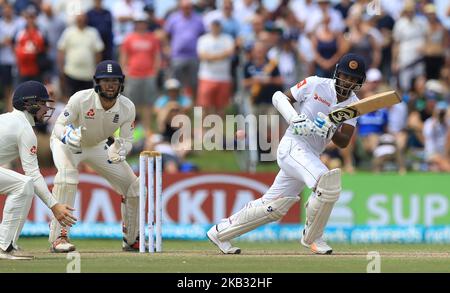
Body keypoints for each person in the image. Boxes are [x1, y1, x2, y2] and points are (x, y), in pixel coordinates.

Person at [207, 53, 366, 255]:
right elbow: (278, 97)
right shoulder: (316, 84)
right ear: (337, 74)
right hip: (292, 145)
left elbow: (344, 142)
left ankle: (220, 232)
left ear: (359, 82)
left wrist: (331, 128)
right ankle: (313, 238)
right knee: (327, 182)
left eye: (353, 79)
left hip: (310, 156)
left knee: (273, 207)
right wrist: (294, 119)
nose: (348, 82)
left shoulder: (354, 105)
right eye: (345, 76)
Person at [48, 60, 140, 253]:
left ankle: (131, 239)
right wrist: (66, 135)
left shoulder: (127, 107)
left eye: (114, 81)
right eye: (105, 81)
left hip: (97, 145)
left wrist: (120, 149)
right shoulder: (80, 99)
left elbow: (127, 139)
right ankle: (59, 236)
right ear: (96, 82)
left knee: (134, 186)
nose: (110, 85)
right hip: (69, 143)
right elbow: (58, 126)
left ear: (121, 83)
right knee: (67, 177)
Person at [0, 81, 76, 260]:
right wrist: (54, 205)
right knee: (24, 184)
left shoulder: (8, 119)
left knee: (23, 185)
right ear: (30, 104)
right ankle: (4, 246)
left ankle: (7, 244)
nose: (46, 108)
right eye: (42, 103)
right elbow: (33, 174)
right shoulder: (24, 129)